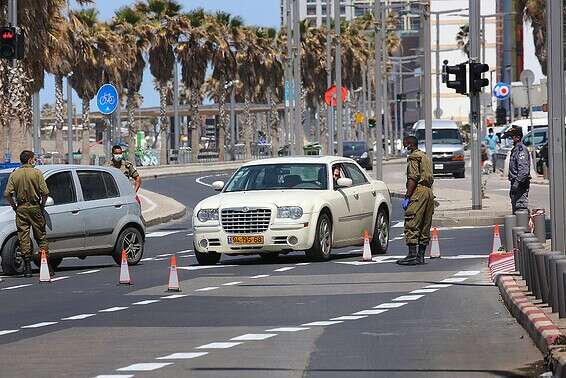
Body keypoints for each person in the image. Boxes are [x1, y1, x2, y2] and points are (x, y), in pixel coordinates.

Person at [3, 151, 50, 278]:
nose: (34, 161)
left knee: (23, 236)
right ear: (29, 160)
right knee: (40, 235)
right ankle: (46, 265)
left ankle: (27, 267)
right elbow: (45, 192)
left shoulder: (15, 174)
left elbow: (7, 194)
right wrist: (42, 205)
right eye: (33, 159)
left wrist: (14, 205)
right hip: (35, 207)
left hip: (21, 208)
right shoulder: (36, 173)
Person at [397, 136, 435, 266]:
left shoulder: (414, 157)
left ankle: (412, 255)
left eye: (405, 144)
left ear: (410, 145)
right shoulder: (425, 157)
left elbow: (413, 177)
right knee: (425, 223)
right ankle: (421, 256)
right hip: (429, 192)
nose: (404, 147)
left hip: (418, 192)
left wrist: (408, 196)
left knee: (412, 221)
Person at [507, 127, 531, 213]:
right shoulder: (515, 149)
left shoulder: (521, 150)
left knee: (520, 209)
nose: (510, 140)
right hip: (515, 184)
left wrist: (516, 183)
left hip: (520, 185)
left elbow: (524, 170)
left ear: (517, 137)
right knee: (516, 209)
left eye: (511, 137)